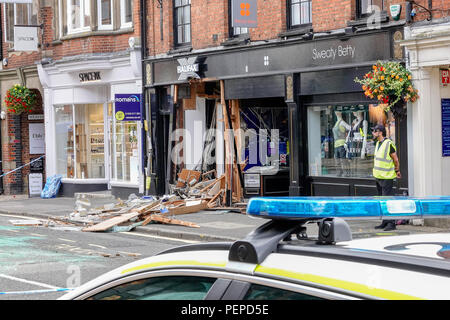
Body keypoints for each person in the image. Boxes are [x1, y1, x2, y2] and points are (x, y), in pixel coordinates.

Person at [372, 124, 401, 231]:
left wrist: (397, 170)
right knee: (382, 201)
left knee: (388, 200)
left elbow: (395, 159)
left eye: (375, 131)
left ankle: (391, 223)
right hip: (378, 176)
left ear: (380, 132)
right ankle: (384, 221)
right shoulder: (377, 144)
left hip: (387, 177)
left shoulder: (389, 144)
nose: (373, 133)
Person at [332, 111, 351, 176]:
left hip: (342, 144)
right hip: (336, 145)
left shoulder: (342, 122)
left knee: (343, 160)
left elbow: (351, 128)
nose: (336, 113)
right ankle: (339, 173)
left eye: (338, 111)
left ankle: (345, 173)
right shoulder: (336, 122)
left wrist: (347, 138)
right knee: (337, 161)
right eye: (336, 111)